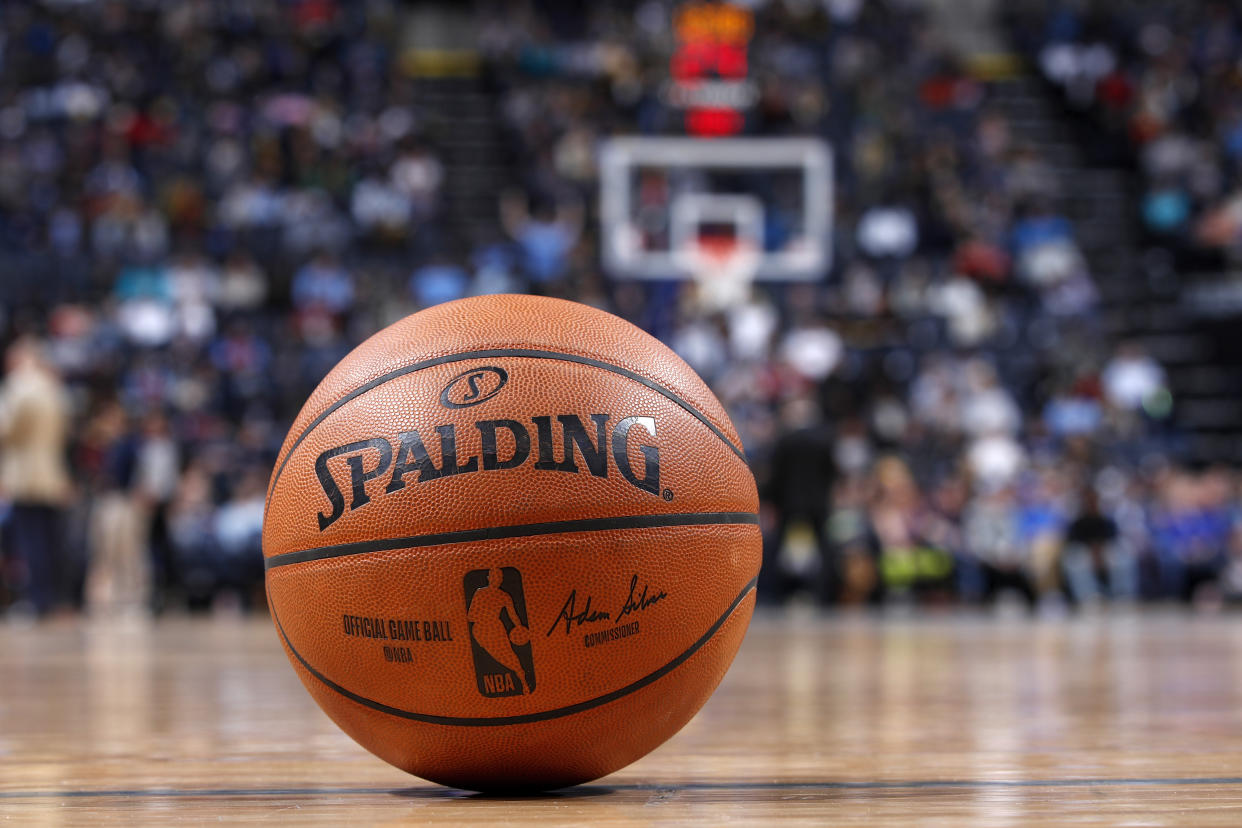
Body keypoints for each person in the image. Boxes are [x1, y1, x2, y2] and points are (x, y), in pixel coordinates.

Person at [0, 339, 73, 617]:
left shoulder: (19, 386)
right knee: (50, 540)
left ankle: (37, 601)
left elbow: (7, 430)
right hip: (52, 472)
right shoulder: (54, 387)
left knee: (30, 542)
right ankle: (54, 600)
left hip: (24, 474)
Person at [466, 568, 531, 693]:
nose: (497, 580)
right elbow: (470, 616)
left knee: (510, 655)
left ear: (501, 580)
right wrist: (485, 617)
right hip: (481, 630)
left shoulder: (504, 596)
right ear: (488, 578)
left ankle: (524, 683)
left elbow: (513, 615)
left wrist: (519, 627)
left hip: (496, 628)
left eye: (499, 577)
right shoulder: (480, 593)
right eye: (494, 577)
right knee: (494, 656)